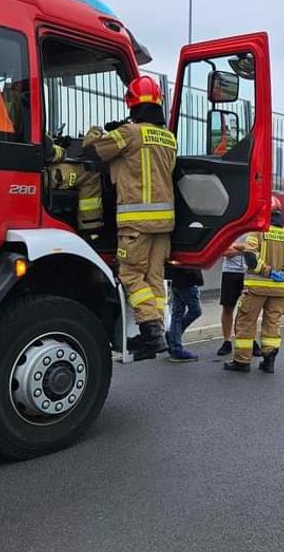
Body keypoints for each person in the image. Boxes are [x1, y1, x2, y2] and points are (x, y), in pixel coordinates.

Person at [83, 76, 176, 360]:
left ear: (132, 104)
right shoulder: (169, 138)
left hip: (135, 222)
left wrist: (97, 132)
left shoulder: (129, 133)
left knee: (131, 275)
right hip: (164, 224)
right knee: (155, 278)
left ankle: (150, 330)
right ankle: (157, 332)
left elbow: (94, 151)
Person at [225, 196, 284, 373]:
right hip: (280, 290)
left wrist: (267, 271)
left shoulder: (258, 232)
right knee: (272, 324)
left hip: (256, 288)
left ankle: (242, 362)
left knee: (246, 322)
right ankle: (269, 361)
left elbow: (251, 258)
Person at [216, 235, 261, 358]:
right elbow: (225, 252)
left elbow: (258, 251)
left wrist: (238, 249)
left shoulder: (253, 233)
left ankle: (251, 339)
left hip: (249, 273)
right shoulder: (230, 231)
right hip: (230, 272)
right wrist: (245, 250)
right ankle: (226, 341)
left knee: (249, 309)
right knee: (227, 307)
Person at [165, 266, 202, 362]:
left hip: (176, 277)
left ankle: (174, 341)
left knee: (177, 314)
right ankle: (174, 342)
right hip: (186, 278)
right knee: (195, 311)